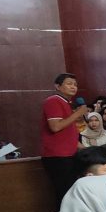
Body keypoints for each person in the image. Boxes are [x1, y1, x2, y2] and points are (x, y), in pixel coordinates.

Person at [41, 73, 91, 201]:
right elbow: (55, 127)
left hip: (69, 155)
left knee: (72, 194)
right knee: (65, 195)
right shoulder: (53, 101)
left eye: (75, 84)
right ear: (57, 86)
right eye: (69, 84)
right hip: (58, 157)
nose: (73, 87)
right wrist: (78, 113)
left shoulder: (68, 103)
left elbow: (68, 136)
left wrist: (86, 149)